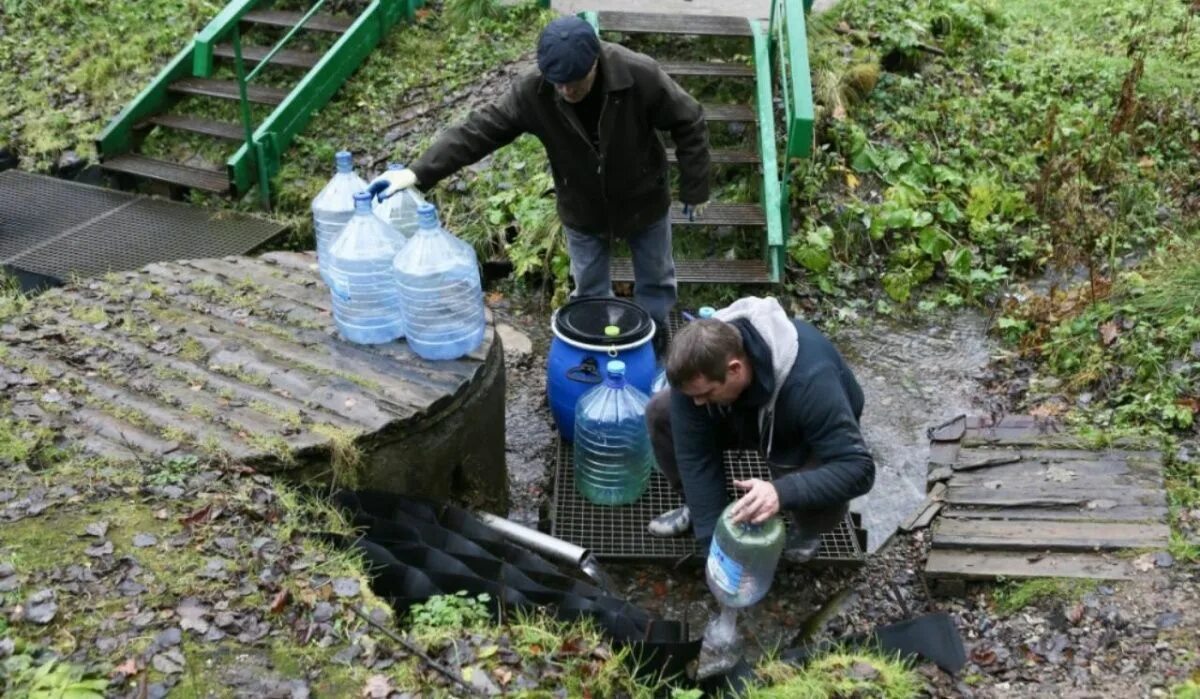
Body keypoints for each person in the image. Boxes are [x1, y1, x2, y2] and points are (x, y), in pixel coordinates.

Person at [371, 16, 711, 345]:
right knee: (590, 290)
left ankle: (654, 338)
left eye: (575, 81)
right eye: (557, 82)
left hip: (643, 197)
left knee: (656, 281)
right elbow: (478, 131)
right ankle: (594, 347)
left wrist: (695, 188)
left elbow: (689, 118)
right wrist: (416, 172)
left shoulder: (638, 74)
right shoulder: (533, 91)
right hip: (582, 204)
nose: (565, 89)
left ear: (595, 63)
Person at [644, 296, 875, 562]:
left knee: (813, 483)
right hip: (743, 411)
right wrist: (713, 545)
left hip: (796, 425)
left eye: (706, 393)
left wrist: (781, 491)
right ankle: (697, 509)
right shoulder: (697, 368)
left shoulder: (811, 383)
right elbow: (695, 456)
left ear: (735, 369)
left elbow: (859, 469)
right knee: (662, 413)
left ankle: (810, 529)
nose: (697, 402)